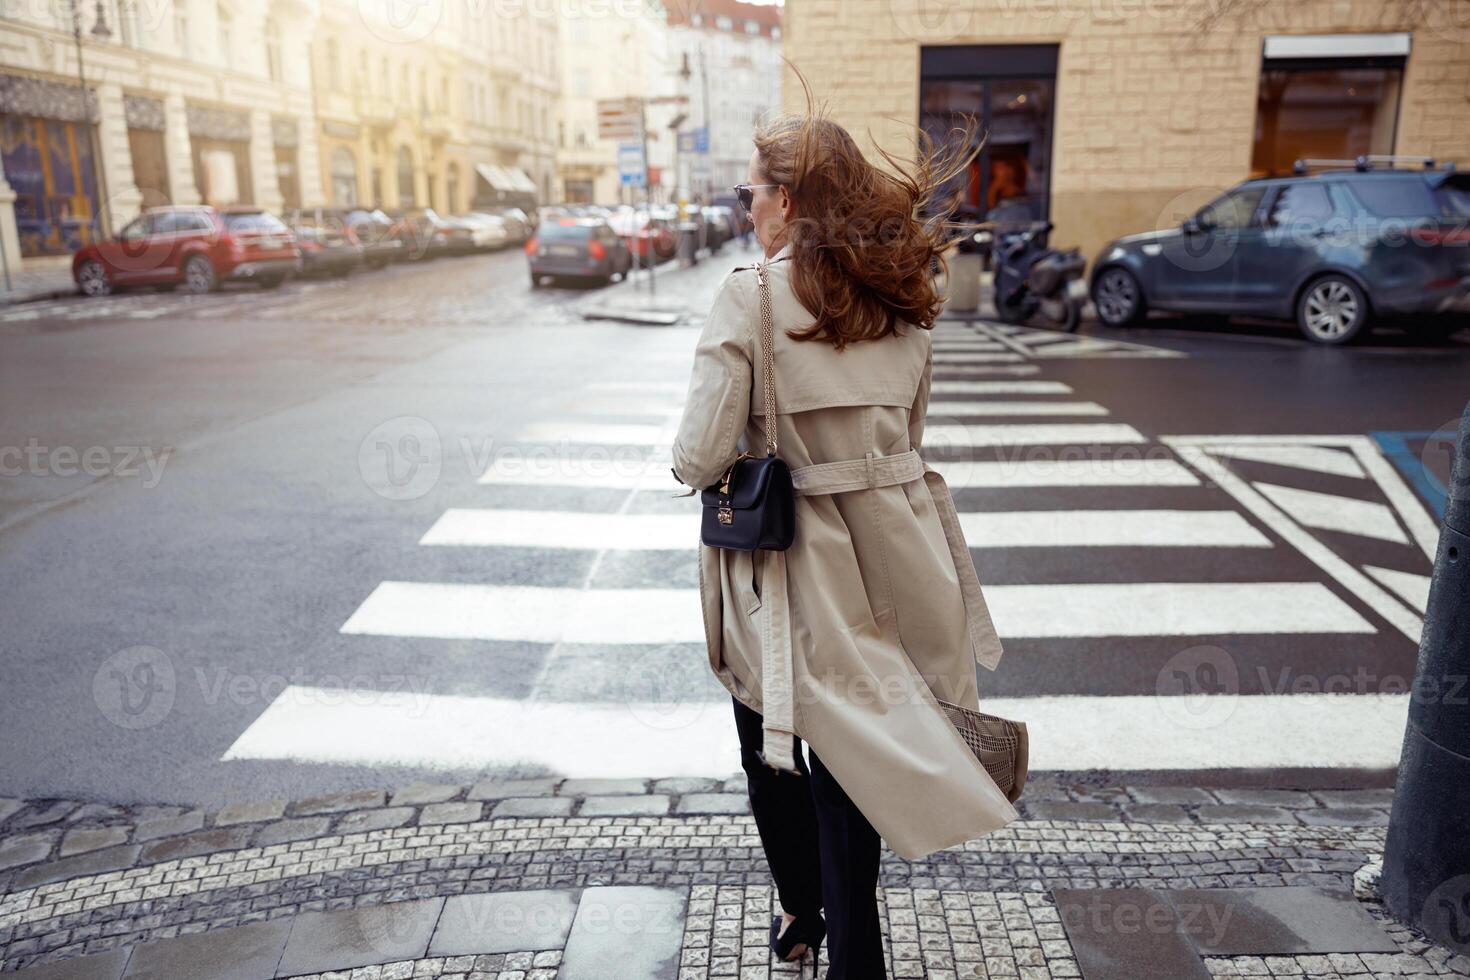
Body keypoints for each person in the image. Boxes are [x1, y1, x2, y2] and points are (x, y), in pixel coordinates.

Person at [669, 76, 1020, 979]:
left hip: (792, 568)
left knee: (771, 741)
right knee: (860, 751)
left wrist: (699, 466)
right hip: (899, 558)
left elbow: (699, 454)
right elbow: (908, 438)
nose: (745, 207)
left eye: (751, 191)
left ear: (787, 199)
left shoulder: (748, 298)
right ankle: (855, 951)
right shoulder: (903, 298)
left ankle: (801, 913)